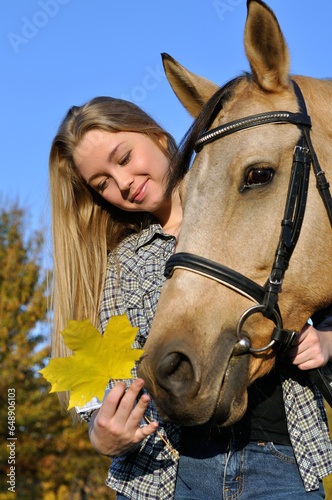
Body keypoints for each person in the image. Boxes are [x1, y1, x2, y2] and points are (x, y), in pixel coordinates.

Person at [49, 96, 332, 500]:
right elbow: (106, 388)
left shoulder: (256, 207)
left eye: (124, 157)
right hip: (173, 471)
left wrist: (327, 339)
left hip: (282, 461)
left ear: (160, 138)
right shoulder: (122, 266)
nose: (123, 182)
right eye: (103, 183)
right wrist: (102, 433)